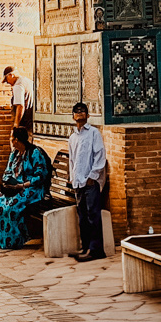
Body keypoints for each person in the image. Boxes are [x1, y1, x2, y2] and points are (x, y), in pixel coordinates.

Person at [0, 127, 54, 250]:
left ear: (17, 140)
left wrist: (23, 185)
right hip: (16, 188)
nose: (11, 140)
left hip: (33, 189)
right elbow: (8, 171)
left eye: (12, 137)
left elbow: (41, 176)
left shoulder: (34, 153)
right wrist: (8, 183)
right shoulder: (15, 153)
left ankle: (11, 240)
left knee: (11, 206)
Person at [67, 102, 107, 262]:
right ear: (73, 116)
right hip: (78, 182)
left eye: (83, 111)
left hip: (90, 182)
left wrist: (93, 176)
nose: (80, 113)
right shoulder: (73, 137)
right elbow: (72, 159)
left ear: (88, 115)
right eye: (76, 111)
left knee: (93, 216)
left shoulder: (94, 133)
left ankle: (96, 250)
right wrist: (72, 177)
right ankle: (86, 247)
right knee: (82, 217)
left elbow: (100, 154)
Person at [2, 66, 35, 134]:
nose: (7, 83)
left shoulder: (18, 86)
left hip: (24, 124)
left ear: (11, 75)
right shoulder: (28, 81)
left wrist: (16, 125)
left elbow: (20, 106)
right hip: (32, 121)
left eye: (7, 79)